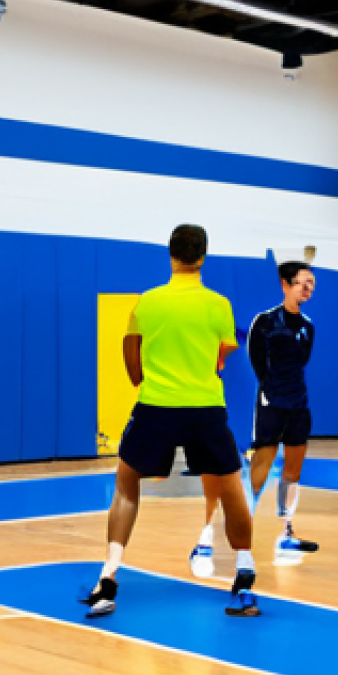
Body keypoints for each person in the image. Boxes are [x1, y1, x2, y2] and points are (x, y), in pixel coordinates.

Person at [82, 224, 259, 618]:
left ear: (170, 254)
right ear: (203, 255)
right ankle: (245, 575)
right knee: (232, 489)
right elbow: (222, 353)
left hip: (155, 406)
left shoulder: (147, 303)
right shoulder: (219, 305)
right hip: (205, 408)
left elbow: (131, 356)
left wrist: (151, 386)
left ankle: (108, 578)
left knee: (126, 485)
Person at [189, 261, 318, 577]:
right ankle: (238, 531)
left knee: (293, 470)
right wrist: (270, 392)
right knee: (260, 468)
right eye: (303, 282)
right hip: (272, 403)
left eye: (312, 283)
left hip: (299, 405)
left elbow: (303, 361)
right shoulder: (264, 322)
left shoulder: (308, 326)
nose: (308, 288)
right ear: (285, 284)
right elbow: (257, 361)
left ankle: (286, 532)